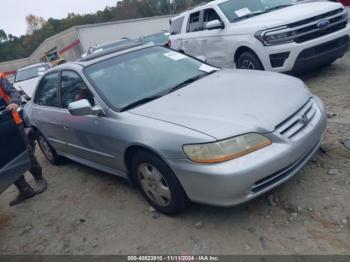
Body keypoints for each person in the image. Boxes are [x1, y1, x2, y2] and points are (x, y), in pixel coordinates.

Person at [0, 72, 48, 206]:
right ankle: (24, 189)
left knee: (24, 150)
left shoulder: (0, 77)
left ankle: (39, 178)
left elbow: (13, 92)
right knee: (6, 159)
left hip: (11, 121)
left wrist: (15, 103)